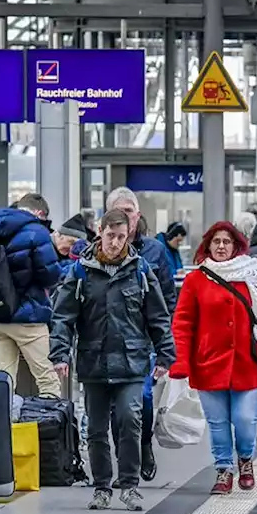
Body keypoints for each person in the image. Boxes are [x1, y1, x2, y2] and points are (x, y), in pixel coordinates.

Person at [49, 210, 174, 512]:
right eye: (110, 236)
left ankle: (128, 485)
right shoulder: (80, 272)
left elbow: (157, 316)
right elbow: (64, 317)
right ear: (100, 233)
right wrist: (60, 353)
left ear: (128, 236)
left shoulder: (141, 271)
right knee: (95, 427)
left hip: (132, 362)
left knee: (130, 420)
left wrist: (166, 354)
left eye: (121, 237)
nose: (116, 243)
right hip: (93, 361)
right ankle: (102, 486)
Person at [170, 221, 257, 494]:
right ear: (208, 246)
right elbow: (183, 323)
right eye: (216, 242)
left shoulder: (255, 276)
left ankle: (245, 460)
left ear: (236, 246)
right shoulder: (196, 279)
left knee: (246, 420)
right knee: (218, 423)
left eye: (226, 242)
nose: (221, 246)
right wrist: (180, 361)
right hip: (209, 364)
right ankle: (223, 470)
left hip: (248, 363)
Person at [106, 188, 178, 481]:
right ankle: (122, 453)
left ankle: (143, 444)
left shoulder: (154, 251)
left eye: (129, 211)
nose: (125, 217)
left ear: (138, 215)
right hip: (107, 340)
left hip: (143, 340)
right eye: (118, 211)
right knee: (113, 403)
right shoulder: (98, 248)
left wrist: (165, 342)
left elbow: (168, 297)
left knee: (143, 398)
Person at [0, 193, 64, 397]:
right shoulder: (36, 231)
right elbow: (49, 275)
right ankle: (48, 428)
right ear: (39, 213)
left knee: (4, 382)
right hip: (28, 317)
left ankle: (5, 427)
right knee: (47, 380)